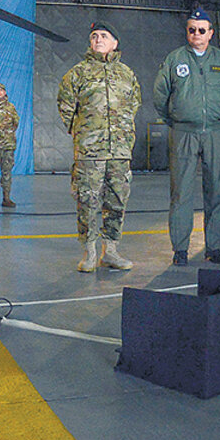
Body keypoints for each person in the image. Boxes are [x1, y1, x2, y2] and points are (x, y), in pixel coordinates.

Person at [153, 7, 220, 266]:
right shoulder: (175, 59)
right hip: (184, 134)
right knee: (181, 192)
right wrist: (177, 119)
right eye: (192, 29)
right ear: (187, 32)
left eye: (202, 30)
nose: (197, 34)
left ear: (210, 33)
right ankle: (180, 249)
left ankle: (213, 247)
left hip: (215, 132)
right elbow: (160, 95)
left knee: (217, 191)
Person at [58, 22, 141, 271]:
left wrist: (123, 132)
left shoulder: (127, 74)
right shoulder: (77, 74)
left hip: (120, 151)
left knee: (117, 201)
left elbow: (134, 104)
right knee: (88, 201)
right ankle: (90, 253)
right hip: (89, 152)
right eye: (94, 36)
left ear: (115, 43)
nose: (98, 39)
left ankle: (111, 251)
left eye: (104, 36)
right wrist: (83, 133)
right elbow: (65, 107)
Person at [0, 82, 19, 208]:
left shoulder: (11, 107)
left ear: (5, 92)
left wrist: (7, 134)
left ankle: (6, 198)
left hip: (8, 145)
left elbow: (16, 123)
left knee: (6, 172)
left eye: (1, 90)